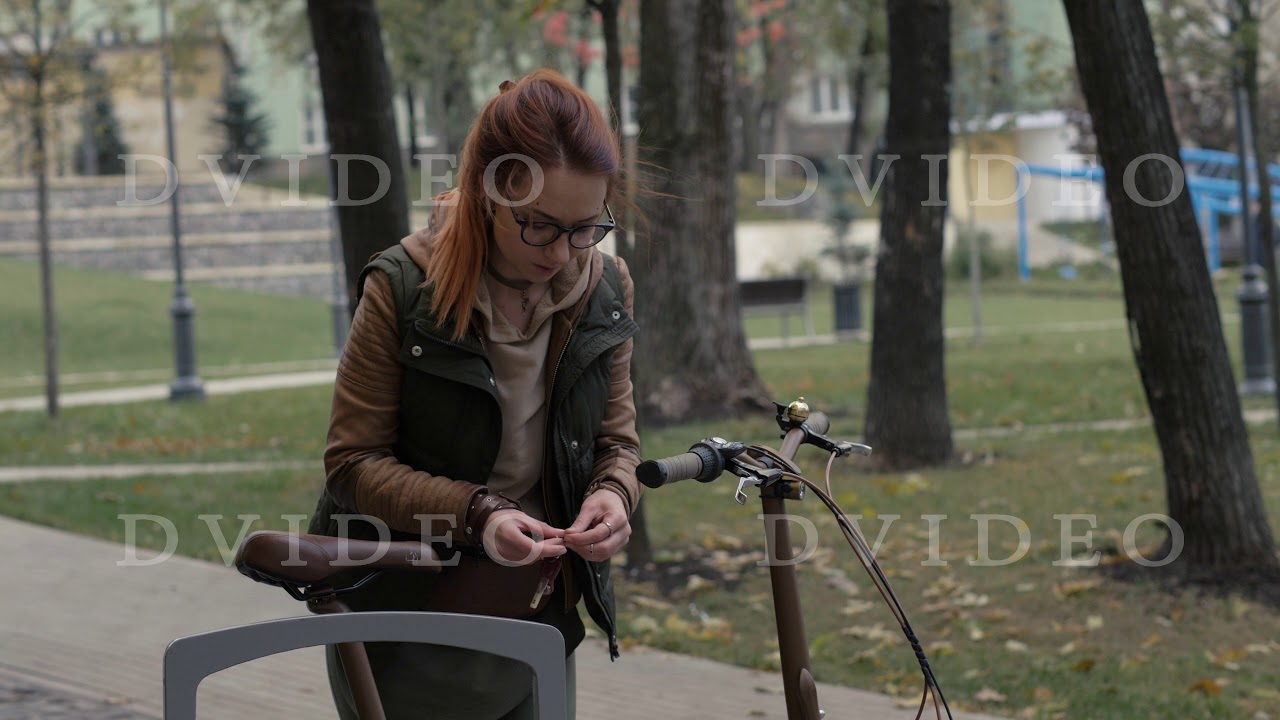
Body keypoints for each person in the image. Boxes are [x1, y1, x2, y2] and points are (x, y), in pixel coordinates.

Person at [306, 68, 643, 719]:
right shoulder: (403, 286)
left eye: (585, 228)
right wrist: (480, 514)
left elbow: (615, 441)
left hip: (538, 613)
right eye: (540, 225)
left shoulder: (606, 283)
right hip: (405, 617)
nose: (565, 253)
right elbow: (352, 465)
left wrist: (613, 493)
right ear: (486, 192)